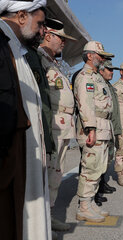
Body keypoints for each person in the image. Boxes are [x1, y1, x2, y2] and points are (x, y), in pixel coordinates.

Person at [0, 1, 53, 239]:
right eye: (40, 24)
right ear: (21, 16)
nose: (43, 31)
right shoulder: (3, 48)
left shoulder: (16, 50)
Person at [38, 25, 77, 231]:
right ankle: (41, 220)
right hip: (51, 125)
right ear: (48, 35)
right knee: (47, 173)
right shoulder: (38, 59)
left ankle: (49, 215)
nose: (64, 43)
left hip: (63, 126)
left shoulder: (54, 63)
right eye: (61, 38)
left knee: (56, 173)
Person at [74, 41, 114, 223]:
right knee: (90, 168)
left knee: (98, 168)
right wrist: (90, 129)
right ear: (90, 55)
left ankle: (90, 204)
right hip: (94, 128)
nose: (103, 59)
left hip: (103, 127)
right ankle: (83, 206)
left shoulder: (97, 77)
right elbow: (86, 104)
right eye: (100, 55)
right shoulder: (85, 76)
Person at [96, 60, 121, 203]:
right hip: (100, 127)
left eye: (113, 70)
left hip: (110, 127)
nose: (112, 72)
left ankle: (102, 184)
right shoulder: (98, 84)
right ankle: (95, 192)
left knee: (106, 159)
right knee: (96, 161)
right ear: (101, 70)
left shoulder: (109, 86)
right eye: (109, 69)